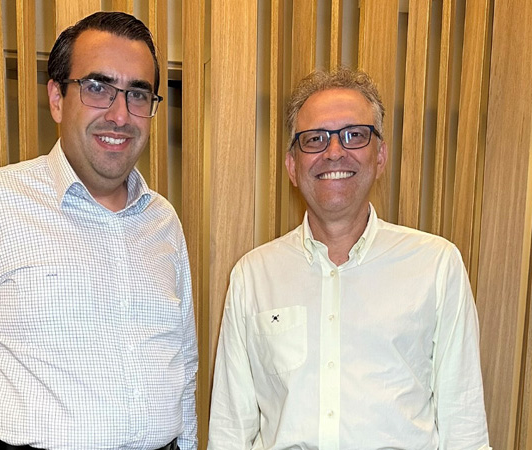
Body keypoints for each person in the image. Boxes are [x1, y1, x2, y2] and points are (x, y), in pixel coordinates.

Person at [0, 11, 197, 450]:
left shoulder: (163, 220)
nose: (120, 115)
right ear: (57, 98)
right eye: (97, 88)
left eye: (137, 94)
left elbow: (184, 365)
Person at [207, 67, 490, 449]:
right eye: (315, 139)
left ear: (380, 156)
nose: (334, 152)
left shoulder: (436, 265)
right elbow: (230, 431)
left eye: (354, 135)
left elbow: (464, 428)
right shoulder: (253, 276)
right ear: (292, 166)